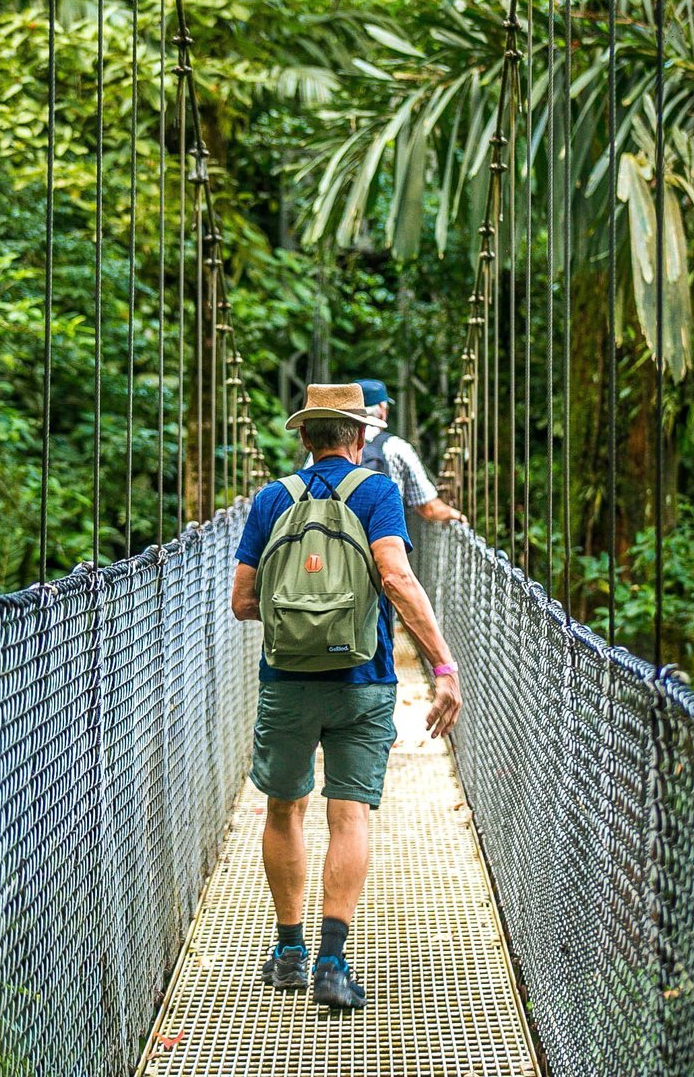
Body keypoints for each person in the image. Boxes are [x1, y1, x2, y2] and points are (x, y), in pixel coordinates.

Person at [230, 382, 462, 1011]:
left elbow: (242, 602)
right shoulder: (379, 492)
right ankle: (333, 965)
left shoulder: (271, 498)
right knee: (349, 815)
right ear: (362, 437)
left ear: (303, 438)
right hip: (365, 681)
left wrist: (300, 615)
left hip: (286, 682)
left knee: (284, 808)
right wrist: (441, 664)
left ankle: (288, 954)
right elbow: (396, 577)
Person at [339, 377, 464, 524]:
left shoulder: (327, 446)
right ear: (382, 409)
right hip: (382, 536)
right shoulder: (396, 447)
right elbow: (428, 508)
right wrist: (456, 515)